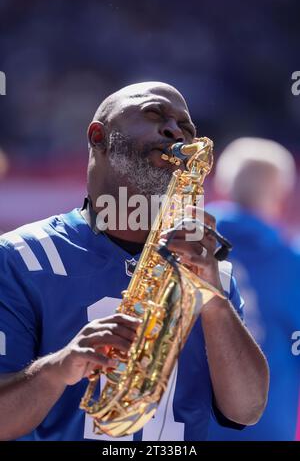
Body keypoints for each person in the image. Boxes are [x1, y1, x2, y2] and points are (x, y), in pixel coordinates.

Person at [0, 82, 269, 441]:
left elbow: (247, 409)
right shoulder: (19, 257)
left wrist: (215, 303)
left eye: (186, 126)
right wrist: (57, 369)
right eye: (155, 114)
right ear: (99, 136)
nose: (175, 130)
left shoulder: (215, 271)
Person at [207, 137, 300, 441]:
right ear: (279, 192)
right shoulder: (292, 262)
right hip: (268, 426)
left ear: (224, 185)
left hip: (192, 427)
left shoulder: (181, 247)